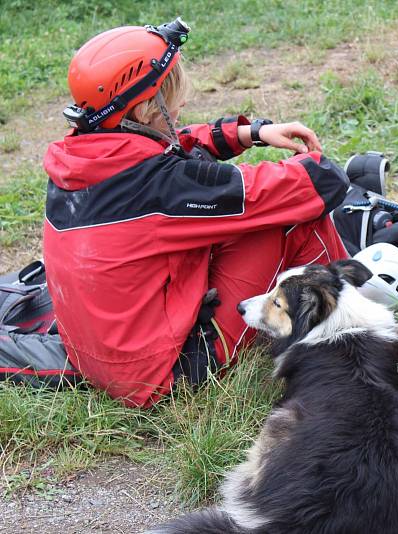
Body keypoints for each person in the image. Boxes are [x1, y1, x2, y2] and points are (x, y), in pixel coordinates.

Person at [40, 19, 350, 407]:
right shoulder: (160, 187)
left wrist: (249, 132)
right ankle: (348, 323)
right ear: (144, 108)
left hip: (101, 362)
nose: (182, 102)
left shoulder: (83, 158)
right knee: (291, 216)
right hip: (170, 375)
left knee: (247, 217)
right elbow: (316, 184)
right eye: (174, 94)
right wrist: (317, 167)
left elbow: (167, 154)